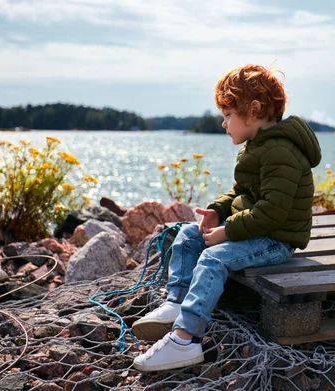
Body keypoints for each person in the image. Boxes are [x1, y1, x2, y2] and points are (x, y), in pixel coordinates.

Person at [132, 64, 321, 371]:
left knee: (213, 258)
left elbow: (273, 212)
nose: (223, 123)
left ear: (254, 110)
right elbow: (241, 191)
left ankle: (185, 340)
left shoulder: (280, 152)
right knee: (189, 235)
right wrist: (219, 212)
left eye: (228, 115)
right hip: (258, 229)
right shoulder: (258, 147)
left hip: (277, 239)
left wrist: (227, 231)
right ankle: (177, 302)